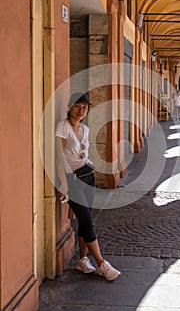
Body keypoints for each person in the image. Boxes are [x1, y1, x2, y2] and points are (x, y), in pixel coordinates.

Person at [55, 92, 121, 281]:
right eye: (77, 106)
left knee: (86, 219)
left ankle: (83, 259)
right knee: (87, 220)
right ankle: (101, 263)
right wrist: (63, 182)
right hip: (72, 180)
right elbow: (58, 157)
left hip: (87, 177)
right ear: (70, 107)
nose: (81, 110)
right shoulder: (63, 127)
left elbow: (83, 153)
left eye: (84, 107)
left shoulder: (85, 129)